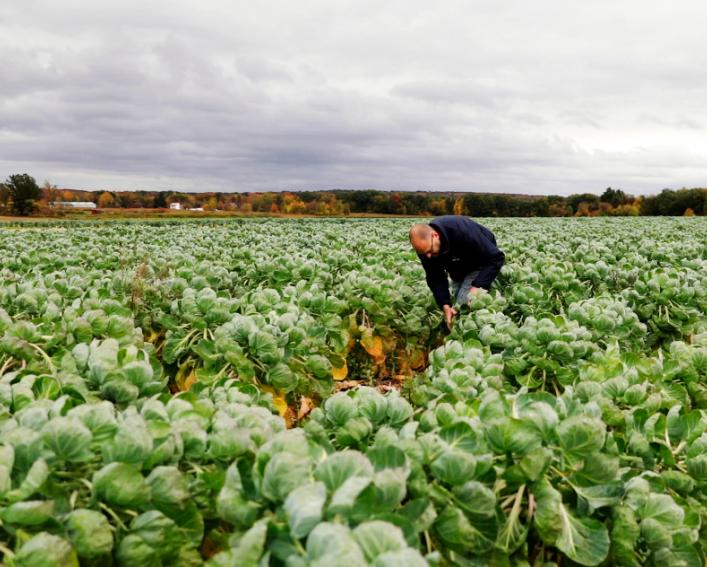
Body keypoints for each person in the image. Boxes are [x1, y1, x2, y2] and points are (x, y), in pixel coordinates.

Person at [409, 215, 505, 328]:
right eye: (424, 254)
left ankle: (469, 327)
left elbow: (496, 257)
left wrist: (478, 286)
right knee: (455, 302)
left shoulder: (462, 231)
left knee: (464, 303)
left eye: (429, 251)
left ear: (435, 236)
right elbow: (435, 276)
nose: (428, 256)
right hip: (456, 263)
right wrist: (445, 305)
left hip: (479, 259)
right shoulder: (425, 248)